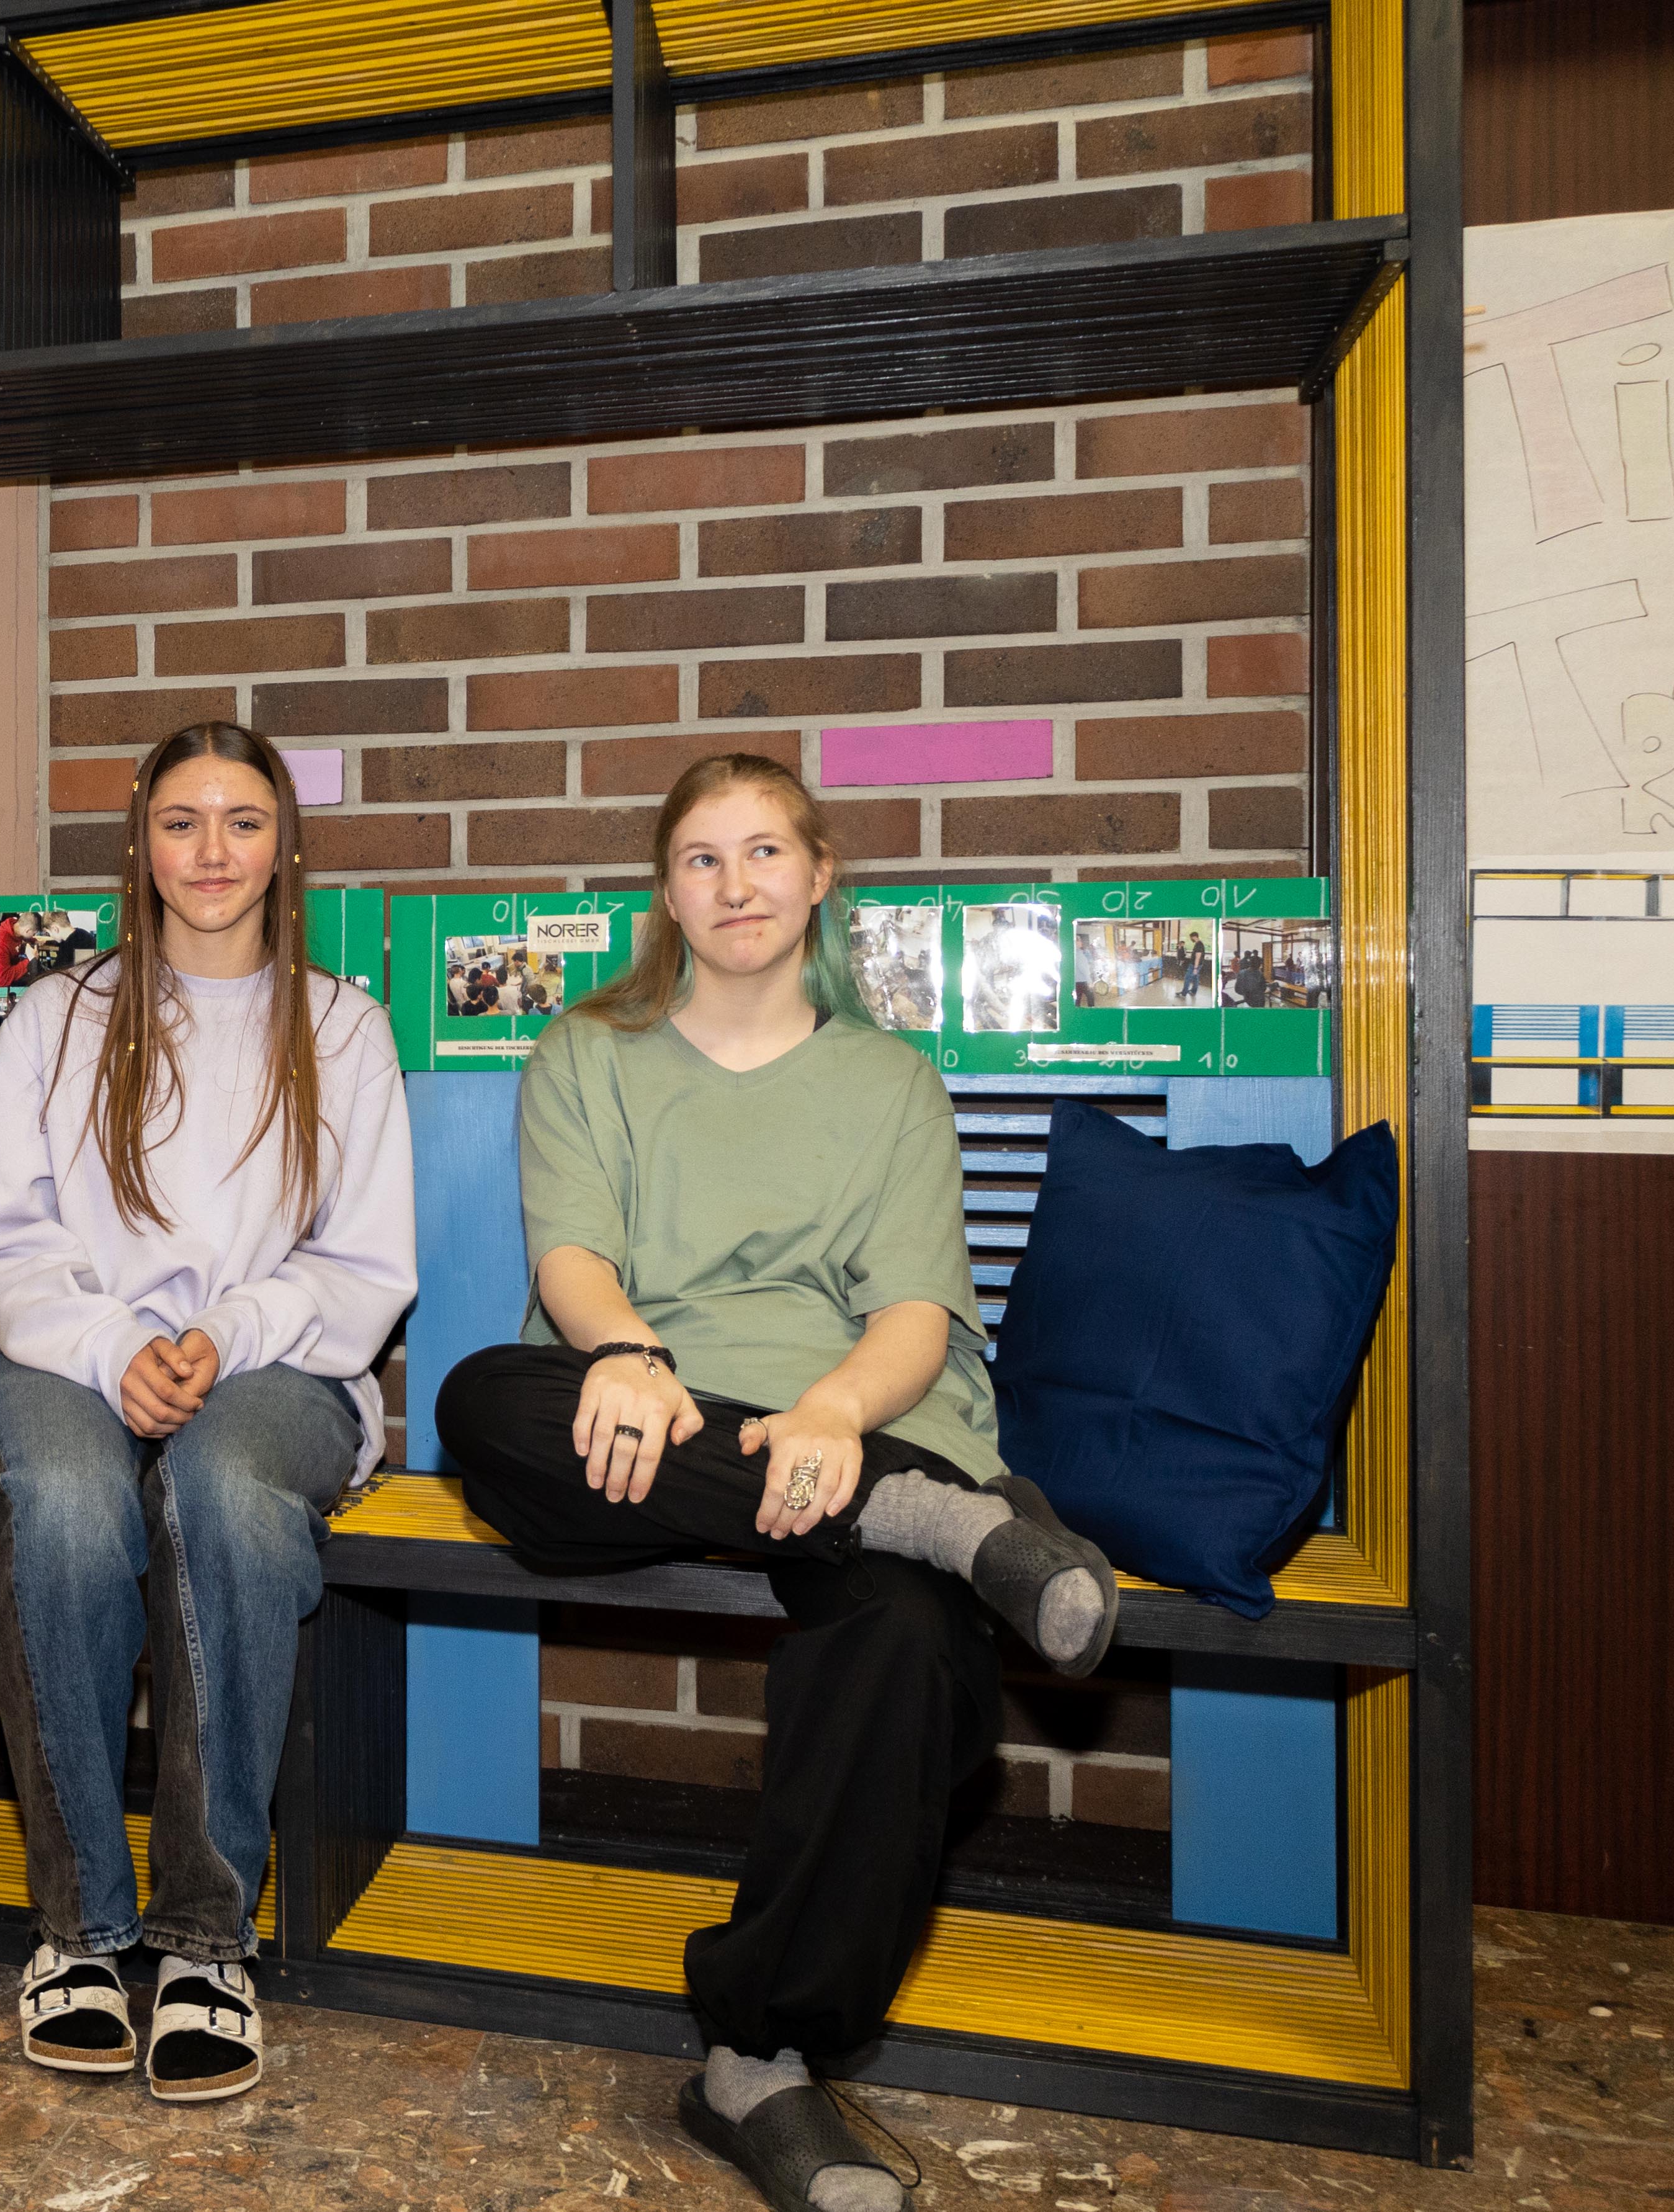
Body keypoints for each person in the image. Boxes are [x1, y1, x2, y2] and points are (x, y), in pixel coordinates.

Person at [432, 753, 1119, 2212]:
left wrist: (830, 1419)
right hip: (656, 1419)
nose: (733, 885)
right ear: (664, 890)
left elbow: (915, 1319)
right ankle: (937, 1524)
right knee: (481, 1402)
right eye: (700, 857)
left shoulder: (886, 1081)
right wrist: (619, 1350)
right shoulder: (585, 1051)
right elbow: (571, 1252)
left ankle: (757, 2057)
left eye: (762, 854)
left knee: (910, 1645)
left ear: (817, 875)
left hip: (857, 1414)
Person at [0, 721, 415, 2104]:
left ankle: (208, 1936)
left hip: (280, 1369)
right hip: (66, 1355)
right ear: (140, 843)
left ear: (285, 845)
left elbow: (363, 1266)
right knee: (67, 1501)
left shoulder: (342, 1027)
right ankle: (82, 1931)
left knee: (220, 1488)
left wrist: (227, 1333)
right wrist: (108, 1344)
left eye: (244, 822)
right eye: (182, 822)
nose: (212, 854)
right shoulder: (55, 1018)